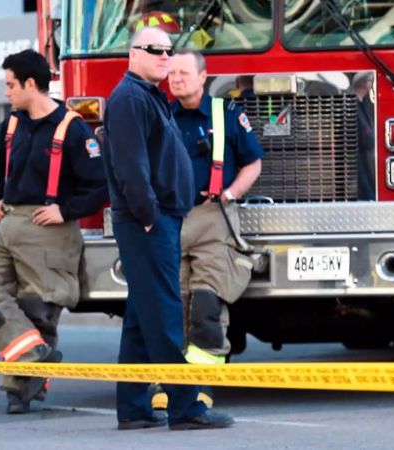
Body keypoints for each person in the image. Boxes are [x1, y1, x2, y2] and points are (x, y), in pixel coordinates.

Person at [101, 26, 234, 431]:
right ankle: (185, 406)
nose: (164, 56)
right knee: (165, 313)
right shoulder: (128, 99)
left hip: (158, 219)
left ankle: (135, 408)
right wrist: (147, 216)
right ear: (133, 54)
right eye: (154, 49)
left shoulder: (146, 97)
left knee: (142, 317)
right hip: (147, 222)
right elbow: (131, 167)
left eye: (168, 50)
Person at [0, 49, 108, 415]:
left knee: (38, 308)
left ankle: (23, 388)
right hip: (9, 223)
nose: (6, 92)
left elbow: (99, 186)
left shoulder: (74, 129)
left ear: (31, 84)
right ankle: (33, 354)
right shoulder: (9, 125)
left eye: (10, 84)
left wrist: (66, 209)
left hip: (51, 229)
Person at [147, 50, 263, 409]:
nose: (176, 78)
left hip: (213, 215)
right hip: (170, 219)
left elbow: (253, 162)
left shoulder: (227, 115)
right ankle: (169, 385)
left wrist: (230, 193)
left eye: (184, 72)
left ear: (203, 76)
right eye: (172, 73)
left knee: (207, 304)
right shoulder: (161, 115)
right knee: (173, 304)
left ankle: (203, 386)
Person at [350, 72, 376, 201]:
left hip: (364, 157)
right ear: (365, 83)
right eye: (371, 81)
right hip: (357, 158)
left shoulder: (361, 104)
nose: (372, 85)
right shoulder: (352, 107)